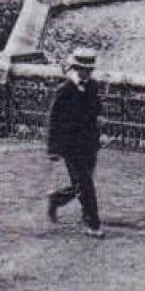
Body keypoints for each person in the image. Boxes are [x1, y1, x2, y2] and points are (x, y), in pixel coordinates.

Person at [45, 48, 106, 238]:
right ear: (75, 67)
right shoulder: (64, 90)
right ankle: (92, 224)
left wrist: (101, 125)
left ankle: (57, 198)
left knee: (83, 182)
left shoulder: (93, 86)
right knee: (85, 182)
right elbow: (53, 119)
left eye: (89, 69)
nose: (86, 73)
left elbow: (97, 110)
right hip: (70, 144)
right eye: (82, 69)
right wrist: (53, 149)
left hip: (90, 143)